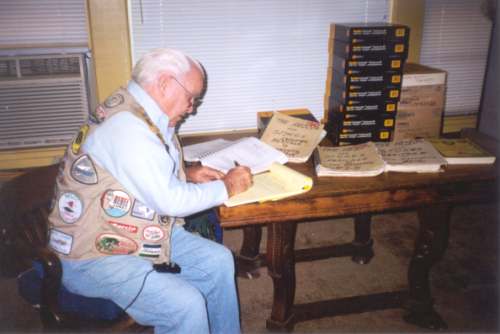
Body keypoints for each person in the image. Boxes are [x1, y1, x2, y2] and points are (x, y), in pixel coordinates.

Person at [47, 48, 253, 333]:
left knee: (218, 261)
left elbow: (137, 169)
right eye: (191, 97)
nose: (192, 107)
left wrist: (187, 173)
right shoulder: (127, 128)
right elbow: (171, 201)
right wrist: (227, 186)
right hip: (95, 256)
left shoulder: (139, 111)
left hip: (132, 232)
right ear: (166, 83)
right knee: (185, 305)